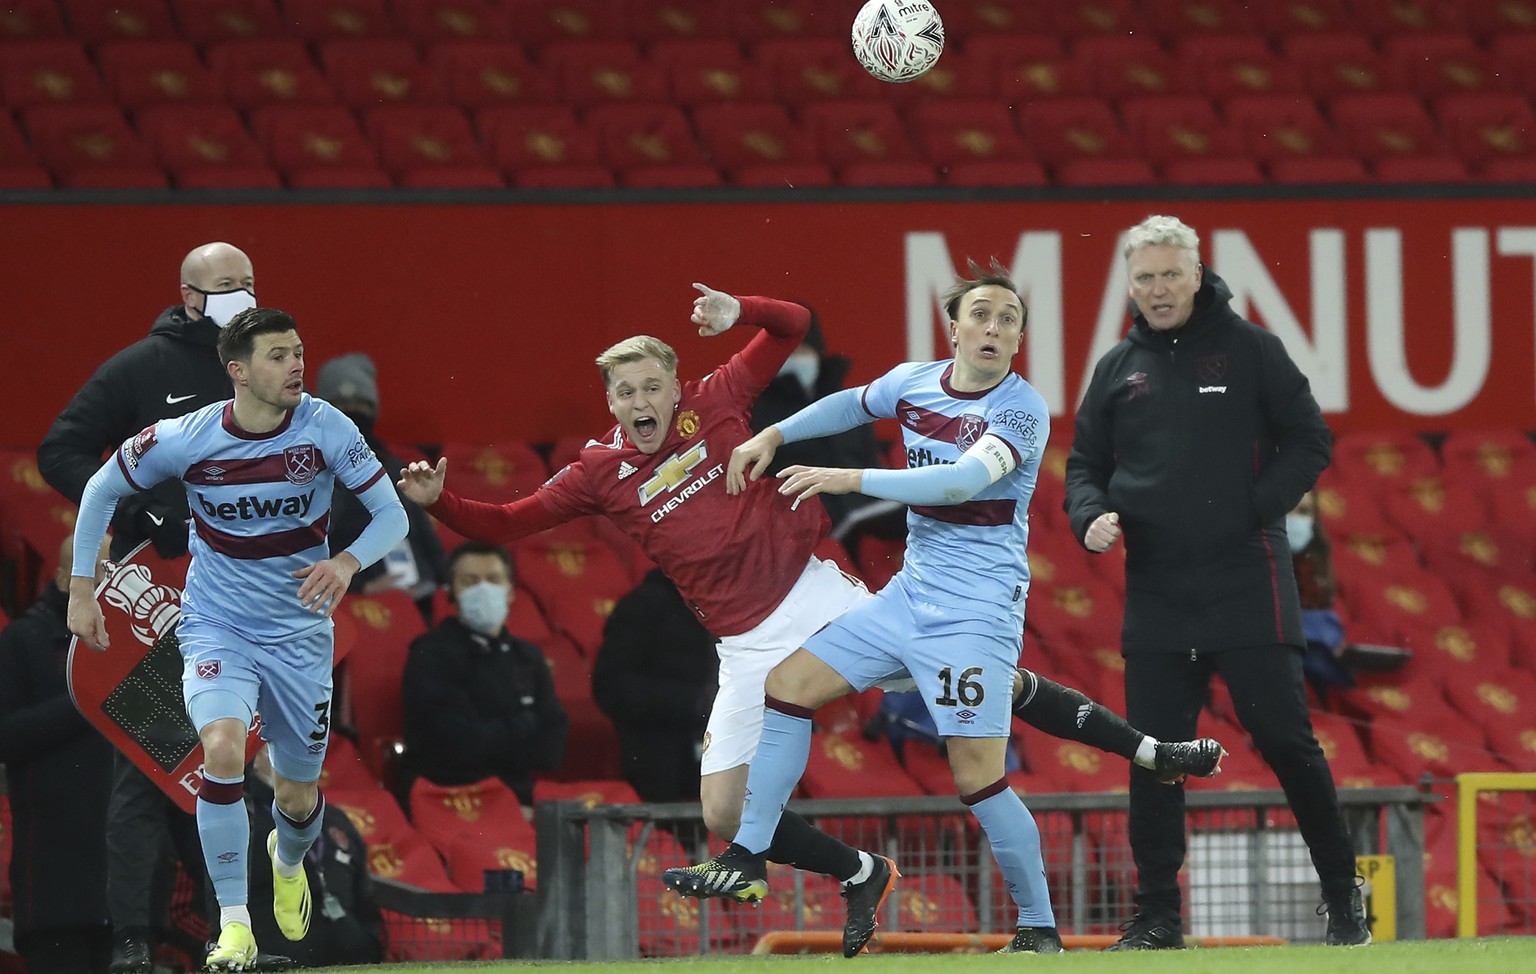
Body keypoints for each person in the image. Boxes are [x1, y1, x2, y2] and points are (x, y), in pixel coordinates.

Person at [398, 282, 1221, 958]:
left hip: (819, 593)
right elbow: (507, 523)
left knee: (981, 728)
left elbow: (793, 326)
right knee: (719, 806)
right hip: (745, 642)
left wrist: (741, 316)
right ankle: (857, 871)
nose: (642, 400)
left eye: (654, 385)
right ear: (608, 400)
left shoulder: (718, 400)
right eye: (626, 390)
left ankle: (1130, 779)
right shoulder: (600, 471)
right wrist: (446, 507)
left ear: (676, 384)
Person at [664, 261, 1079, 954]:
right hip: (910, 597)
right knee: (788, 687)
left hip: (976, 612)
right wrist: (775, 435)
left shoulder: (1019, 409)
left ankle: (1038, 928)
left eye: (1009, 319)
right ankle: (747, 856)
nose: (994, 327)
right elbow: (852, 404)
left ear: (1017, 340)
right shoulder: (915, 382)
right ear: (954, 328)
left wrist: (847, 475)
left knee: (977, 778)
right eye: (981, 314)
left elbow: (963, 481)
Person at [65, 307, 409, 972]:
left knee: (297, 794)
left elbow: (391, 515)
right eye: (279, 355)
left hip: (302, 638)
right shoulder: (186, 437)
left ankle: (288, 859)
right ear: (238, 371)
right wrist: (83, 590)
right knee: (221, 750)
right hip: (216, 625)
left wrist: (345, 563)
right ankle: (234, 927)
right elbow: (101, 488)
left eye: (299, 352)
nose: (297, 366)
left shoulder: (326, 427)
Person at [1063, 215, 1372, 949]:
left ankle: (1342, 894)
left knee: (1286, 740)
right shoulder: (1114, 369)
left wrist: (1252, 511)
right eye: (1145, 277)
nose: (1159, 288)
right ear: (1129, 285)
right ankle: (1160, 917)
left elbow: (1311, 440)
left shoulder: (1252, 349)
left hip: (1247, 579)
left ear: (1198, 275)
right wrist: (1090, 516)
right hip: (1159, 590)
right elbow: (1083, 468)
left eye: (1172, 274)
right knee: (1154, 754)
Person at [36, 240, 255, 974]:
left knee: (238, 760)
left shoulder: (264, 362)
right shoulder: (141, 367)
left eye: (249, 284)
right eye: (227, 286)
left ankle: (240, 930)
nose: (242, 297)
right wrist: (137, 516)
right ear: (190, 296)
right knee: (147, 769)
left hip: (244, 585)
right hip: (159, 597)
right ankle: (132, 936)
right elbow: (59, 450)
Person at [0, 535, 115, 974]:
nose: (109, 582)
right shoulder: (23, 641)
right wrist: (88, 697)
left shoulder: (137, 651)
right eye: (98, 571)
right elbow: (5, 735)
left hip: (129, 888)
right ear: (65, 577)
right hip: (53, 883)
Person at [400, 541, 568, 805]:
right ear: (452, 592)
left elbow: (551, 749)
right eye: (470, 580)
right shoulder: (431, 654)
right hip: (451, 798)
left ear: (511, 591)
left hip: (516, 797)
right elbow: (454, 743)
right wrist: (525, 724)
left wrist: (492, 735)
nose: (483, 589)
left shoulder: (528, 656)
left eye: (493, 579)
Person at [315, 353, 447, 622]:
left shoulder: (396, 468)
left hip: (421, 601)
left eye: (361, 404)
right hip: (357, 607)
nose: (352, 411)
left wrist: (442, 585)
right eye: (341, 404)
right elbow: (310, 554)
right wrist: (362, 588)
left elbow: (429, 544)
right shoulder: (315, 477)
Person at [749, 314, 901, 541]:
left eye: (803, 350)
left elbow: (869, 460)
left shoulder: (844, 399)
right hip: (810, 530)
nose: (795, 358)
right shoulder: (756, 411)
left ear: (817, 351)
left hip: (873, 518)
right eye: (788, 352)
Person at [244, 747, 383, 968]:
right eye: (273, 750)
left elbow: (364, 899)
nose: (287, 758)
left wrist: (368, 942)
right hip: (278, 962)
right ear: (253, 759)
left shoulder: (334, 818)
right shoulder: (244, 819)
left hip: (349, 959)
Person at [592, 568, 719, 803]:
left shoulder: (725, 604)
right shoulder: (642, 607)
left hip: (722, 764)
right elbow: (612, 686)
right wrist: (693, 702)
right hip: (657, 772)